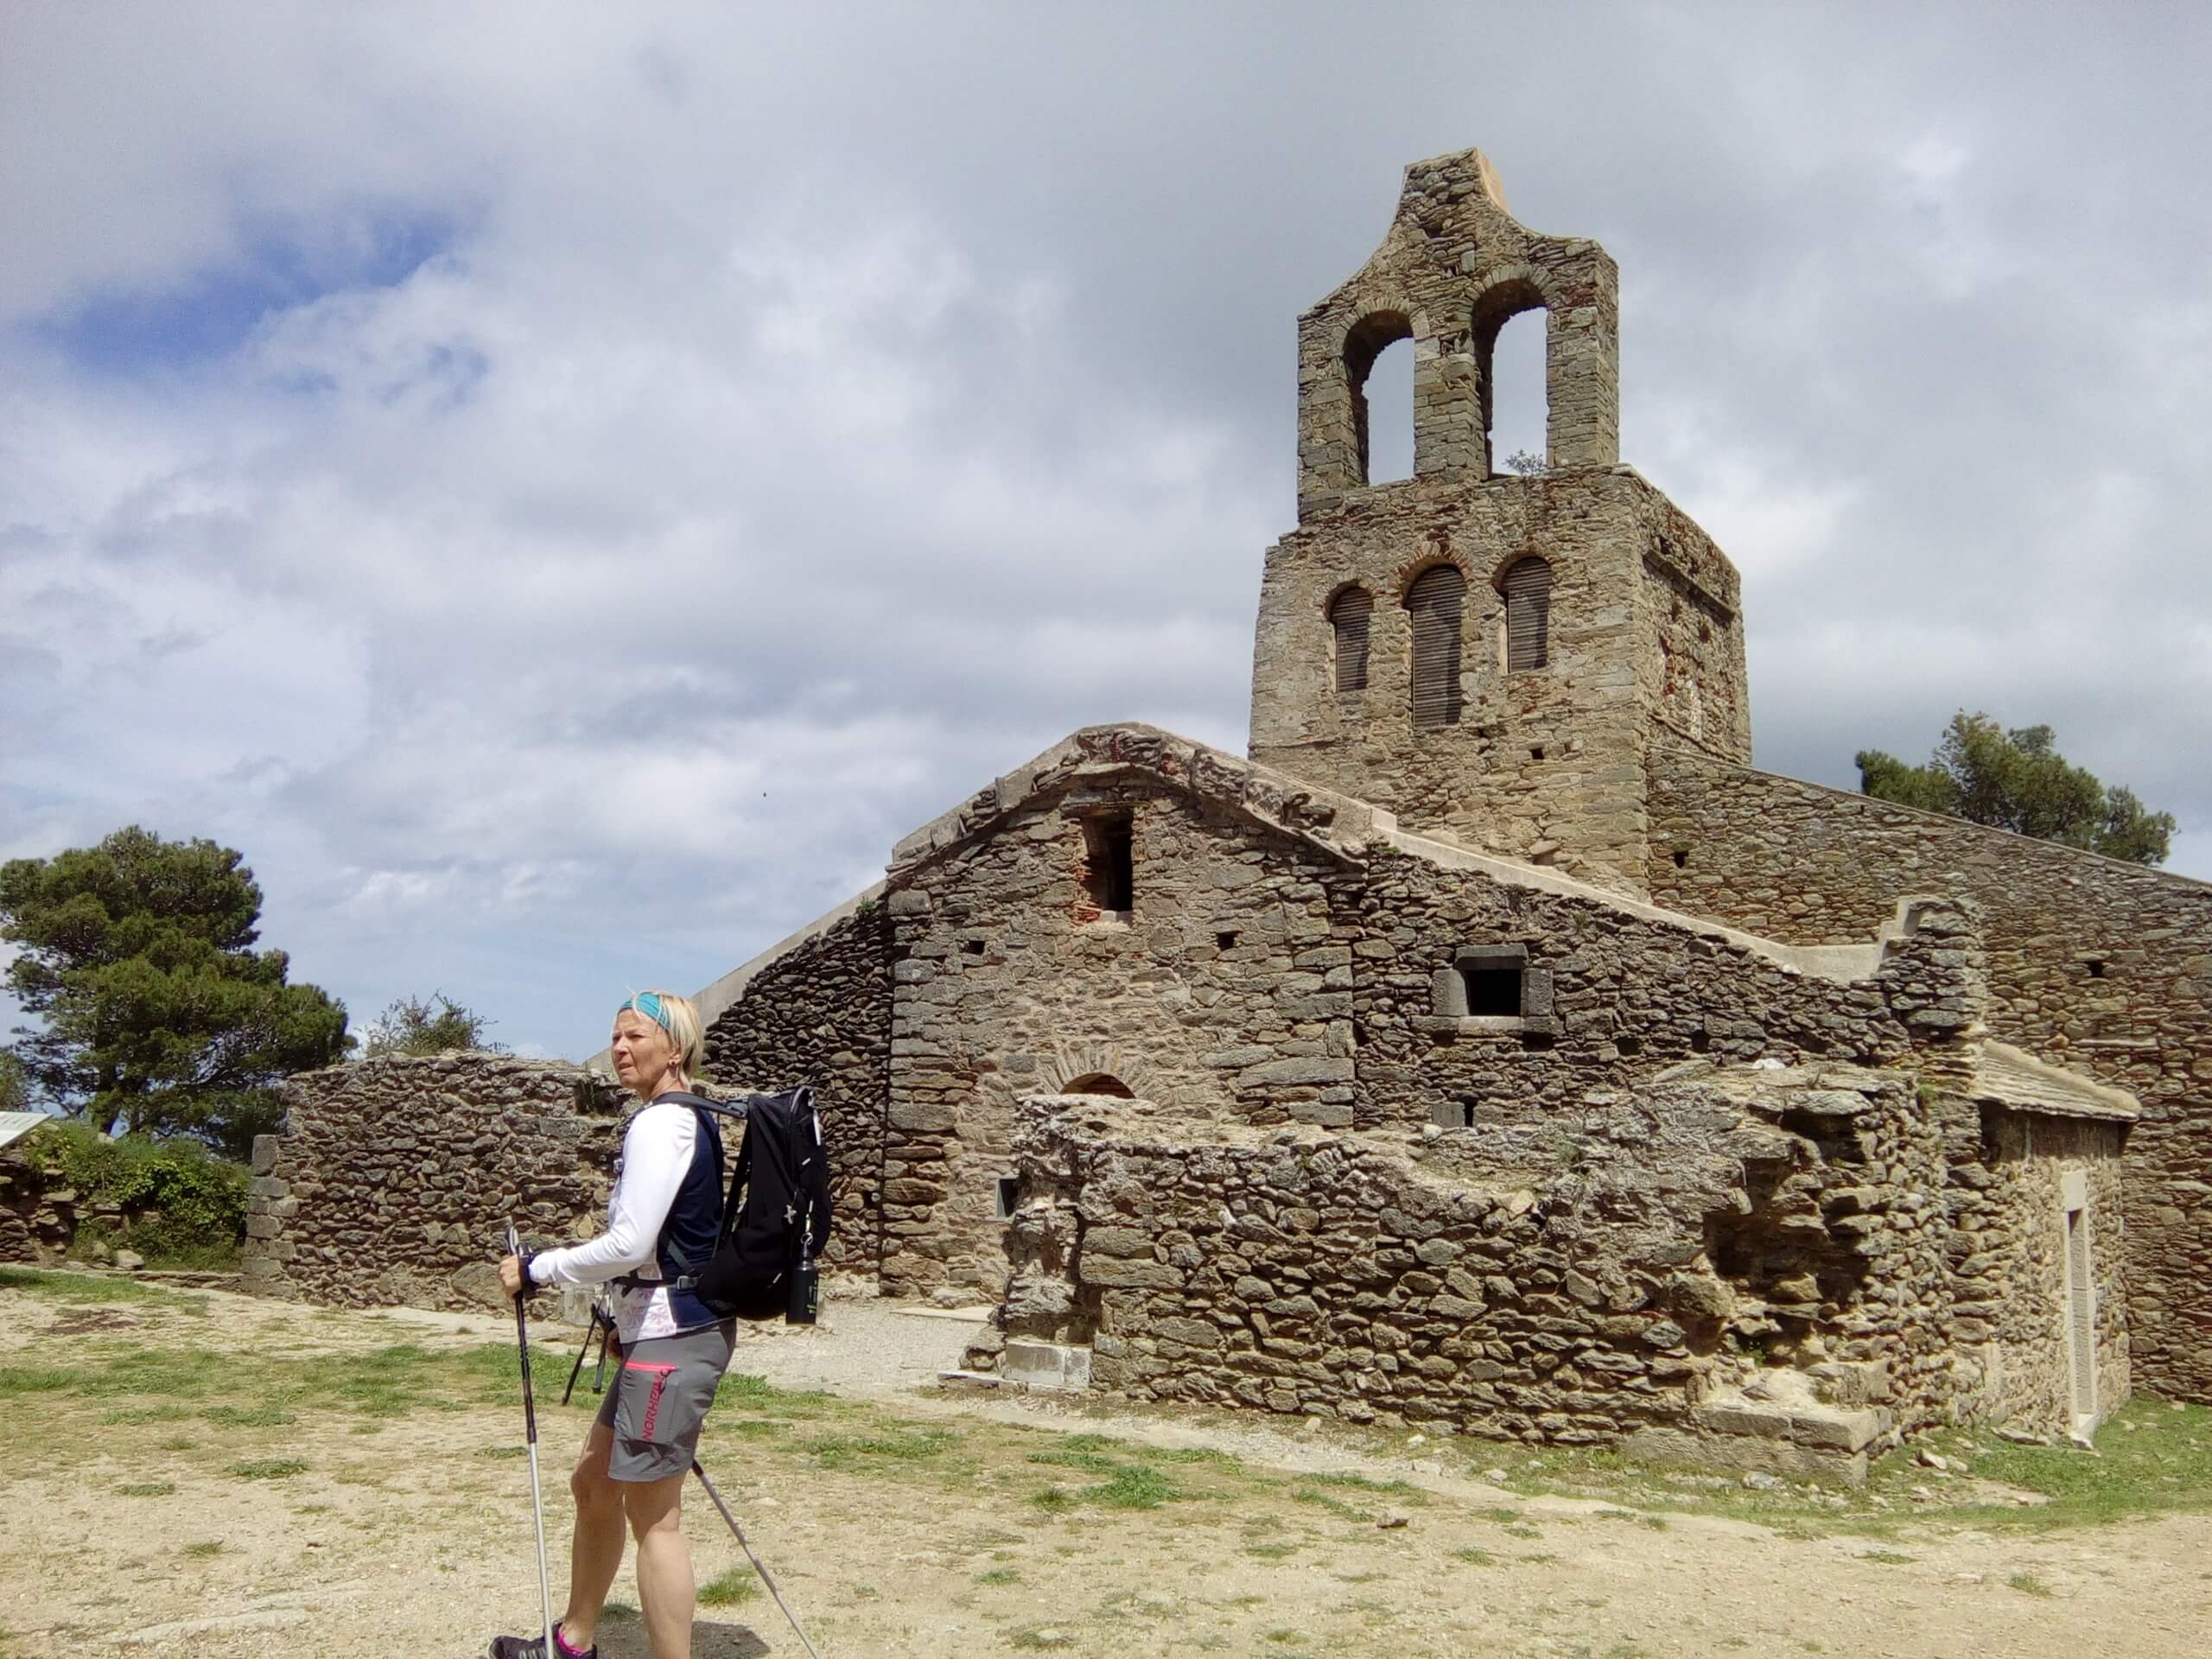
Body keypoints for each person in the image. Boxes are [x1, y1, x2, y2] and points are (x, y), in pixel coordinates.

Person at [489, 990, 735, 1659]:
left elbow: (629, 1244)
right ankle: (574, 1642)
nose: (620, 1048)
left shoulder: (661, 1124)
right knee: (595, 1482)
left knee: (655, 1517)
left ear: (674, 1048)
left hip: (673, 1336)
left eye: (635, 1037)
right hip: (661, 1330)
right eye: (616, 1037)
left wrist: (541, 1267)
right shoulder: (684, 1118)